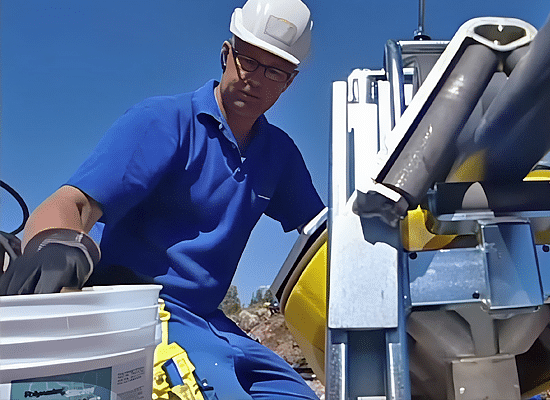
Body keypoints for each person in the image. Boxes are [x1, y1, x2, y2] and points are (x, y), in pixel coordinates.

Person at [0, 0, 323, 398]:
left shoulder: (280, 155)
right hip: (145, 309)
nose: (254, 78)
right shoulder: (163, 122)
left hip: (210, 321)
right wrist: (55, 245)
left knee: (299, 393)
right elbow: (75, 204)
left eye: (273, 70)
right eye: (247, 60)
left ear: (288, 81)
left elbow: (322, 235)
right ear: (226, 55)